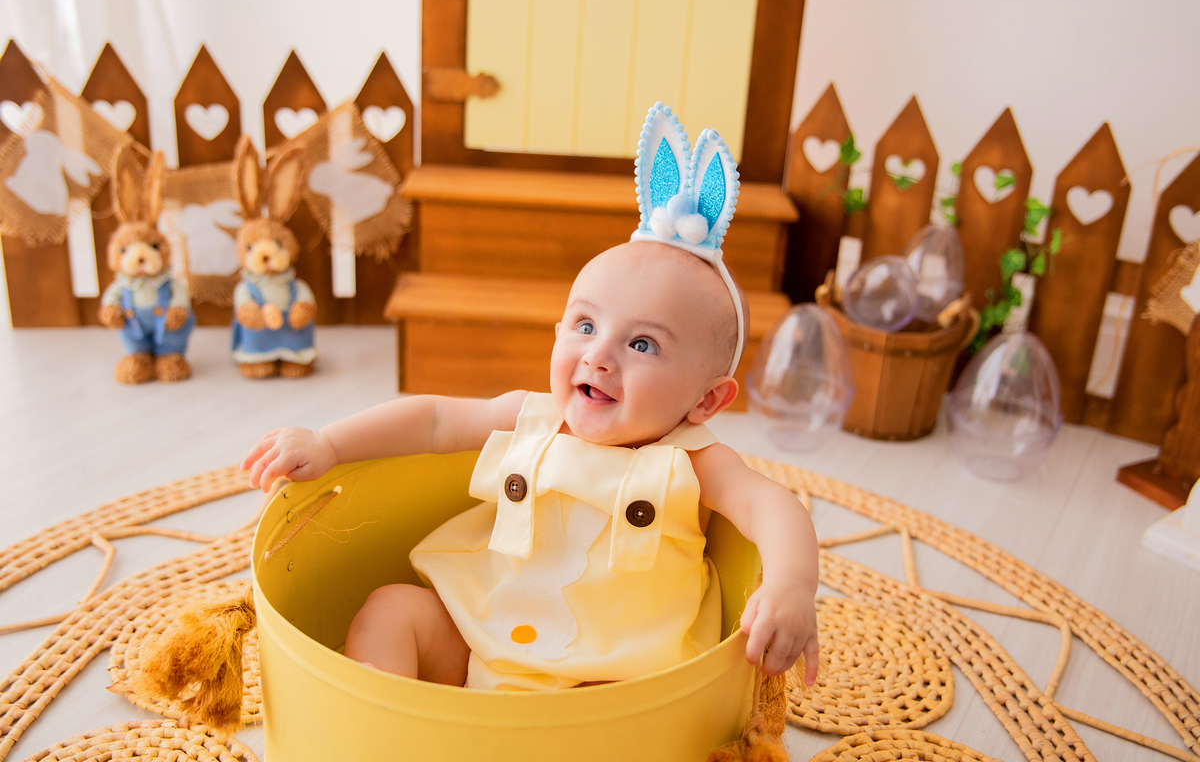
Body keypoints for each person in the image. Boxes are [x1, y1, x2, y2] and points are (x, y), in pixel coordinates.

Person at [241, 104, 819, 692]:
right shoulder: (533, 416)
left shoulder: (693, 459)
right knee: (393, 608)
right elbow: (436, 418)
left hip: (612, 679)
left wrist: (790, 587)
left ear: (706, 401)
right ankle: (383, 722)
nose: (598, 356)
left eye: (642, 343)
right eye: (585, 326)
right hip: (480, 636)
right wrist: (329, 442)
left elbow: (774, 508)